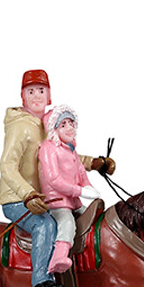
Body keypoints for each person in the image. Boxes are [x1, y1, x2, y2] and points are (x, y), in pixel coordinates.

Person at [0, 70, 113, 287]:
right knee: (45, 225)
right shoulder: (20, 127)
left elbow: (65, 156)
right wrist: (28, 195)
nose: (36, 96)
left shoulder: (48, 123)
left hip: (48, 198)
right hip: (18, 199)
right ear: (23, 97)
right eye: (30, 91)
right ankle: (42, 281)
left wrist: (93, 163)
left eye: (41, 91)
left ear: (49, 95)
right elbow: (7, 165)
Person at [38, 104, 100, 273]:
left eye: (71, 123)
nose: (69, 127)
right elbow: (53, 179)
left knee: (93, 217)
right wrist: (80, 191)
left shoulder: (71, 149)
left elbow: (81, 173)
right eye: (63, 125)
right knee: (67, 222)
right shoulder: (48, 148)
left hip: (74, 201)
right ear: (54, 129)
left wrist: (88, 187)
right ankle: (59, 257)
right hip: (57, 202)